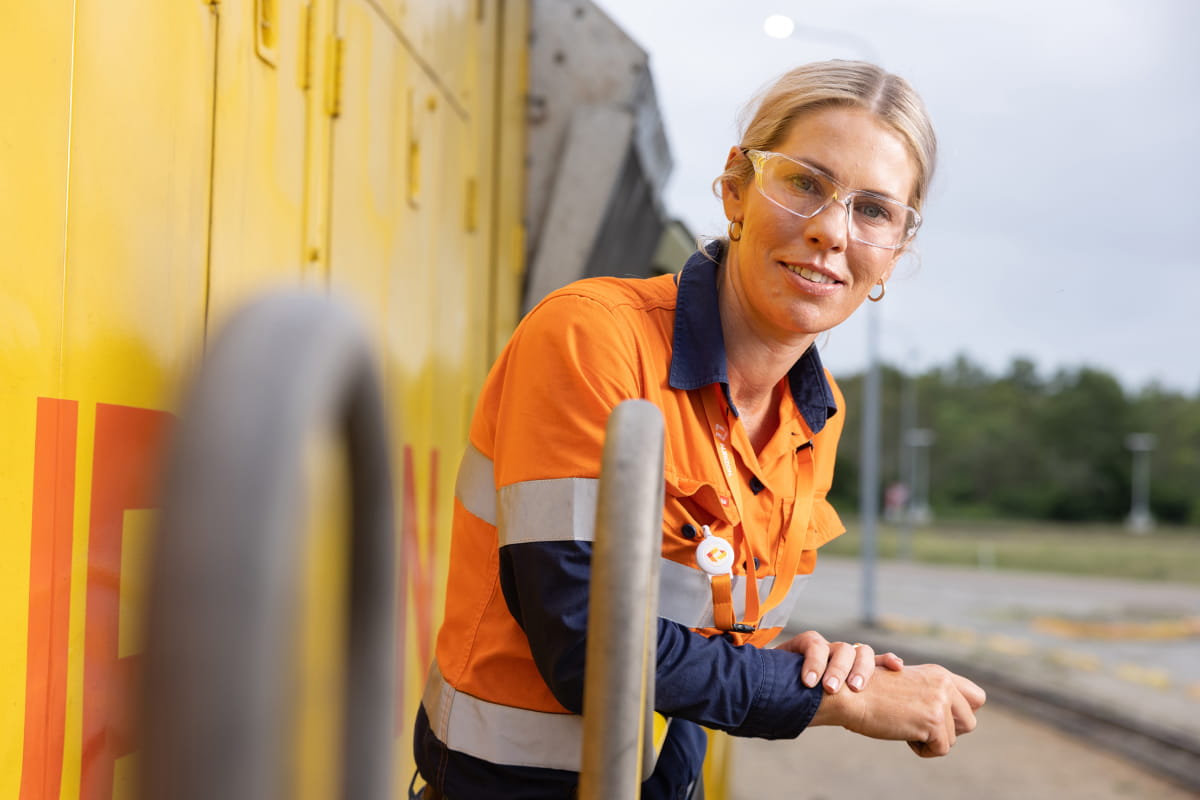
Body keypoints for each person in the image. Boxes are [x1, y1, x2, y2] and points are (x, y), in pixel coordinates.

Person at [413, 60, 986, 799]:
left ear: (894, 254)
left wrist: (802, 664)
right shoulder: (591, 338)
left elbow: (704, 637)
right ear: (737, 188)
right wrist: (843, 699)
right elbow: (587, 643)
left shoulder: (815, 417)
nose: (831, 233)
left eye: (874, 210)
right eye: (805, 183)